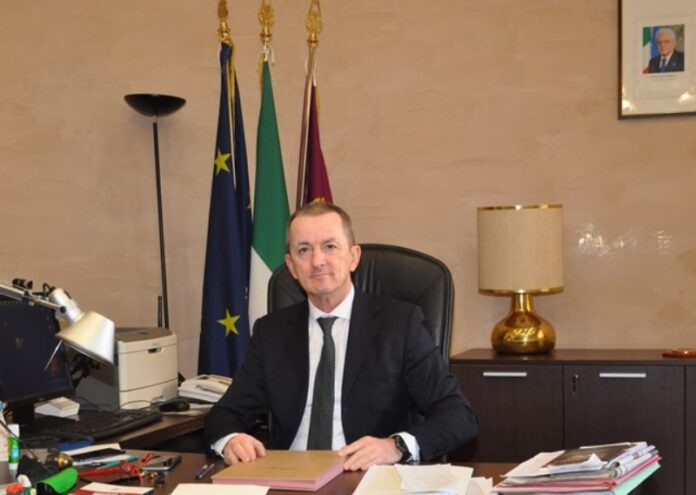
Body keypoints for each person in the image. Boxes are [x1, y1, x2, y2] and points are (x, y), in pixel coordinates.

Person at [204, 202, 477, 471]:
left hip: (367, 477)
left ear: (354, 257)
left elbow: (459, 416)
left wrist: (395, 446)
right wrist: (231, 440)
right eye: (303, 250)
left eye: (330, 246)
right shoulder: (270, 332)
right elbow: (225, 414)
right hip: (289, 478)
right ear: (291, 265)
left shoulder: (400, 324)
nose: (317, 261)